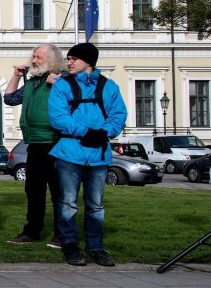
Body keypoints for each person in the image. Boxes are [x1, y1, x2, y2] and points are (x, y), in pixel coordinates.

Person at [49, 43, 126, 267]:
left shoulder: (109, 87)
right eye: (68, 59)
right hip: (70, 153)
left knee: (96, 205)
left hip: (98, 155)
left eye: (73, 59)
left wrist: (104, 132)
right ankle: (69, 244)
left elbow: (118, 115)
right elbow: (58, 117)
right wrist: (87, 132)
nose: (69, 62)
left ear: (88, 61)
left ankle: (95, 247)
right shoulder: (62, 86)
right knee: (68, 203)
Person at [4, 44, 65, 248]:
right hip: (35, 143)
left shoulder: (63, 78)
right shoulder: (32, 83)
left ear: (52, 60)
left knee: (58, 192)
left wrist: (57, 82)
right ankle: (32, 231)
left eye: (38, 57)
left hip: (56, 142)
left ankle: (62, 233)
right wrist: (15, 76)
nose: (34, 61)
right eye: (34, 57)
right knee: (33, 190)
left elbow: (76, 95)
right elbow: (10, 99)